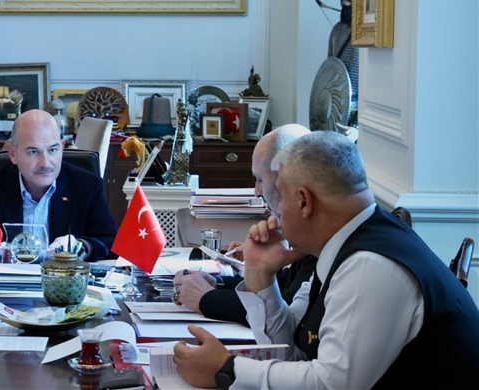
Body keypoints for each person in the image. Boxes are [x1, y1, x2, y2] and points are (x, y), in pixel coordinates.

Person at [173, 132, 479, 389]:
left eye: (280, 197)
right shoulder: (347, 243)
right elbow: (292, 350)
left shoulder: (370, 266)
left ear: (304, 201)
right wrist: (260, 274)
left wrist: (228, 368)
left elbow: (331, 384)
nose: (275, 211)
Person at [0, 110, 117, 261]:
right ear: (13, 154)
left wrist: (81, 246)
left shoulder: (86, 186)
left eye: (52, 150)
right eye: (33, 152)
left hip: (62, 288)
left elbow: (112, 245)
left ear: (62, 147)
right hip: (2, 290)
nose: (45, 163)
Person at [173, 125, 317, 325]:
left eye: (260, 179)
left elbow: (283, 312)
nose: (257, 191)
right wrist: (218, 284)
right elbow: (285, 284)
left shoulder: (321, 239)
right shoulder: (309, 234)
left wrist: (207, 298)